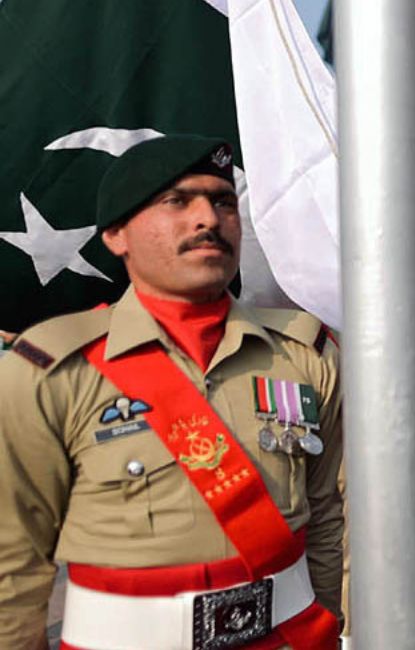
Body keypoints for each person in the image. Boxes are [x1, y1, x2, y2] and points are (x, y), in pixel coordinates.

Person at [0, 135, 345, 648]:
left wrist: (330, 628)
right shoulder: (51, 367)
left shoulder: (303, 352)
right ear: (116, 234)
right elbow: (15, 556)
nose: (207, 218)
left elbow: (327, 517)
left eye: (222, 200)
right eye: (176, 200)